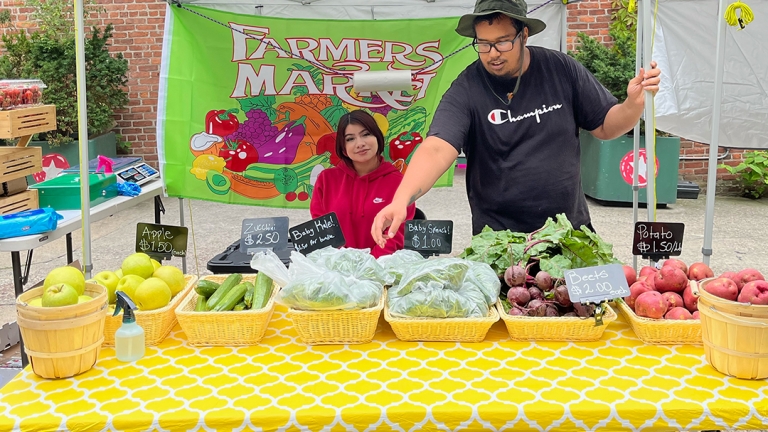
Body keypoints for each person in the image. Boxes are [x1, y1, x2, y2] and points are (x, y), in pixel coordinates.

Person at [372, 0, 661, 247]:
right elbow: (437, 148)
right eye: (483, 44)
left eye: (502, 42)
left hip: (568, 235)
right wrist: (402, 199)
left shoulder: (561, 69)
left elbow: (606, 126)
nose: (493, 53)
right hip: (500, 242)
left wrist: (633, 104)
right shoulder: (467, 87)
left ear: (524, 35)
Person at [311, 110, 416, 258]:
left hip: (383, 268)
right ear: (343, 149)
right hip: (337, 268)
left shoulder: (399, 182)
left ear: (377, 137)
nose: (360, 143)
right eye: (350, 139)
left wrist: (372, 262)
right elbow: (321, 227)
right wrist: (343, 261)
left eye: (366, 134)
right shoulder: (326, 179)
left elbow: (399, 231)